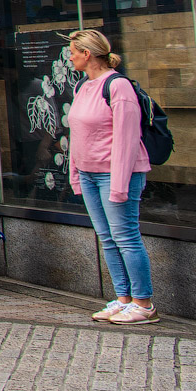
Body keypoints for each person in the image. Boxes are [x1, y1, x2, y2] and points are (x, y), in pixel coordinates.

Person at [65, 30, 157, 324]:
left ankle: (144, 303)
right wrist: (76, 173)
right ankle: (123, 298)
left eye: (72, 52)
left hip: (115, 174)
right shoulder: (83, 86)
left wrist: (119, 185)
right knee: (107, 238)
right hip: (91, 174)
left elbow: (128, 138)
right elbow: (77, 134)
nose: (70, 57)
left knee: (126, 236)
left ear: (87, 54)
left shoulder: (118, 86)